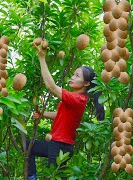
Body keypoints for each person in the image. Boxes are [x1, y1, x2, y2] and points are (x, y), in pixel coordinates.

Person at [27, 41, 105, 180]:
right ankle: (32, 177)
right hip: (55, 144)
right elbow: (61, 115)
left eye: (77, 76)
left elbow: (51, 86)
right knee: (27, 146)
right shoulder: (74, 98)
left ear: (86, 83)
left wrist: (42, 58)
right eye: (73, 74)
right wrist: (42, 114)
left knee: (55, 177)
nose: (72, 77)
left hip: (61, 147)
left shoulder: (78, 99)